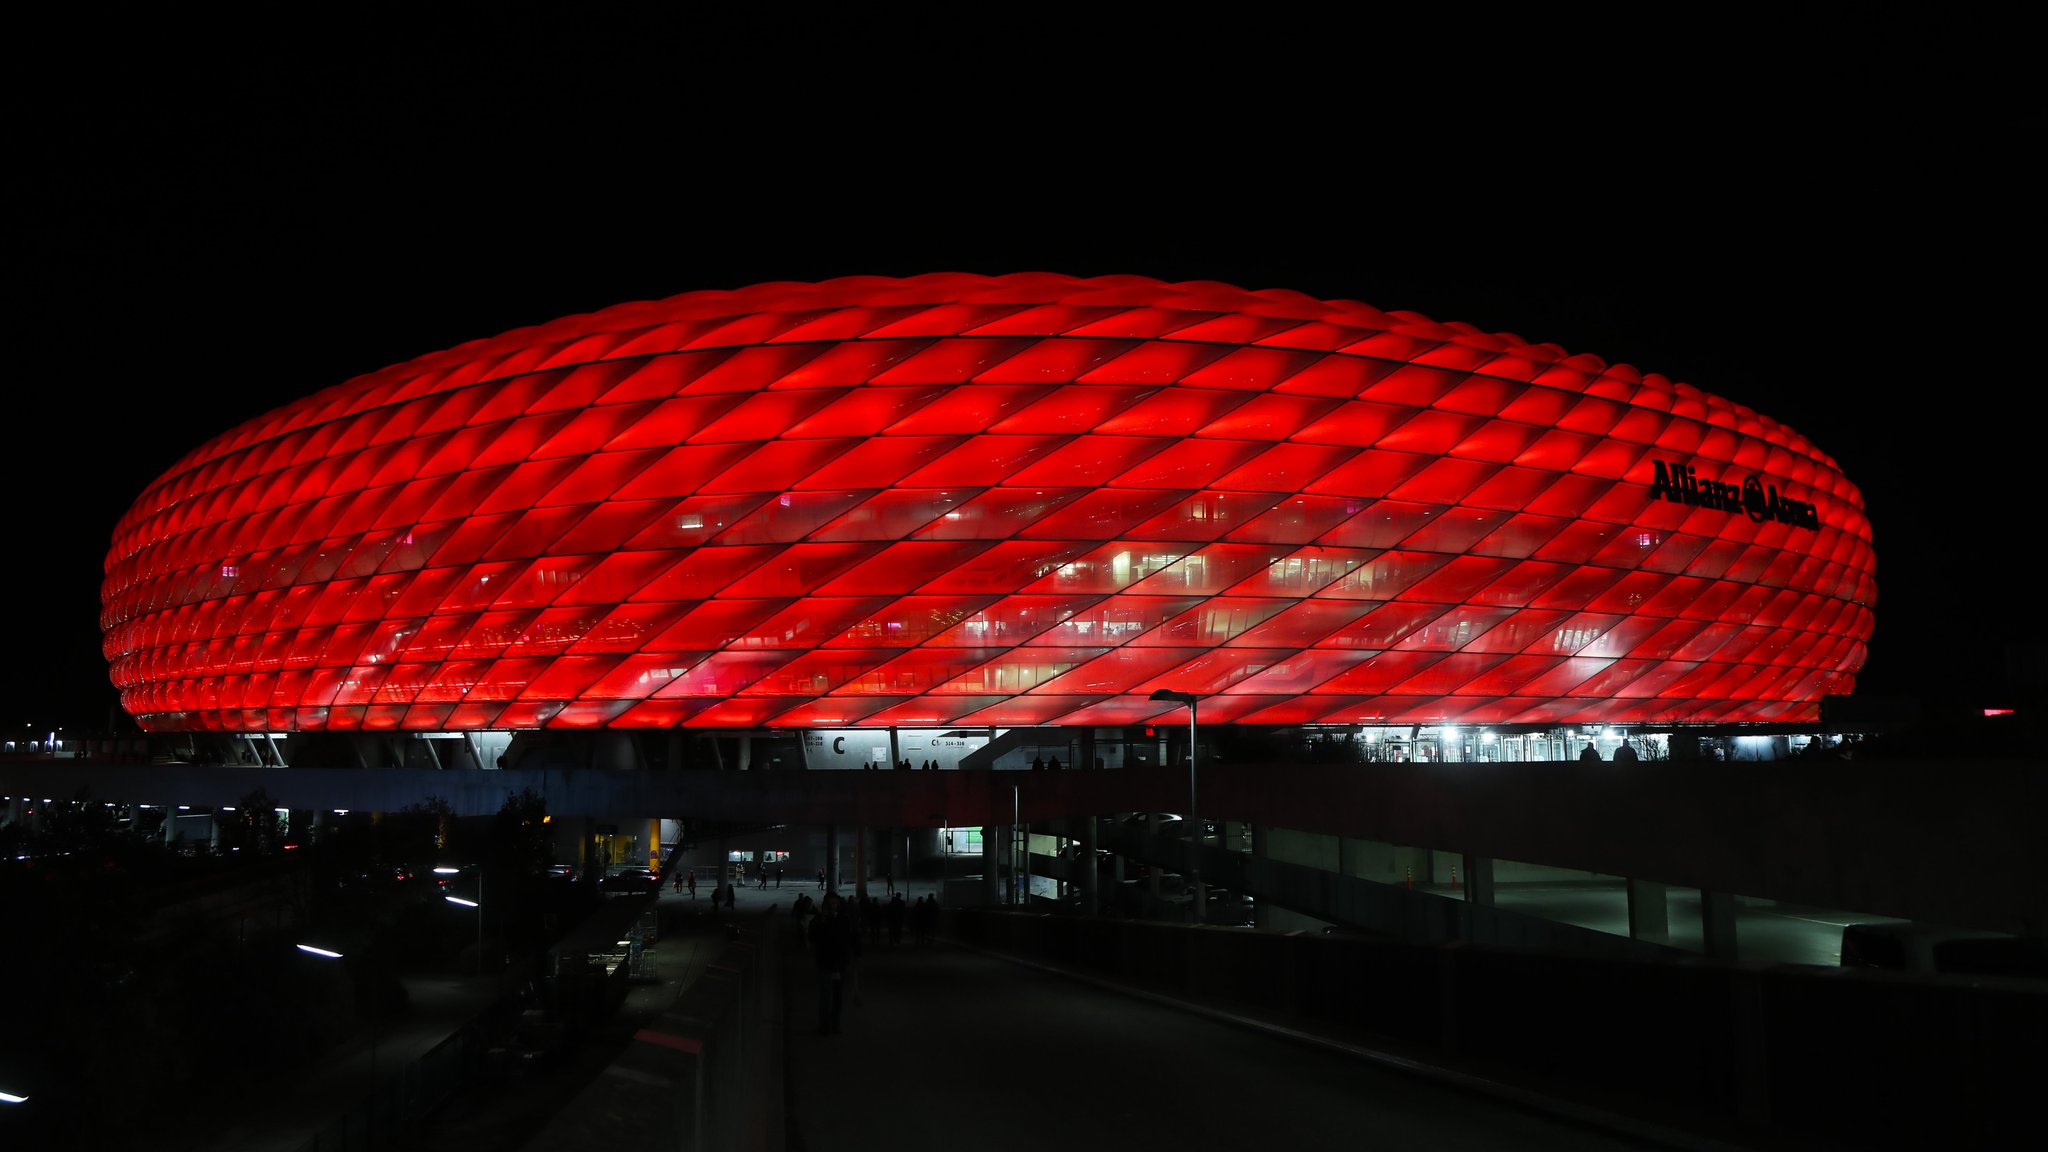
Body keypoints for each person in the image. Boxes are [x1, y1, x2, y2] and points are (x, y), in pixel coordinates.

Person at [809, 892, 861, 1034]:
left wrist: (856, 953)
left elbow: (853, 937)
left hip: (840, 964)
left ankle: (835, 1024)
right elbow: (812, 937)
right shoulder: (820, 920)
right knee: (825, 996)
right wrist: (821, 921)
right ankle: (824, 1026)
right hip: (825, 963)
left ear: (838, 904)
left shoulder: (845, 920)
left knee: (838, 996)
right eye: (829, 904)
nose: (832, 907)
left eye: (834, 903)